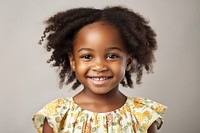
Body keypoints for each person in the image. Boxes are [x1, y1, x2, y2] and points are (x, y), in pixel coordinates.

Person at [32, 6, 167, 133]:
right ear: (73, 61)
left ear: (128, 61)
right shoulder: (57, 116)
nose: (100, 66)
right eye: (87, 56)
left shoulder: (142, 115)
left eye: (111, 56)